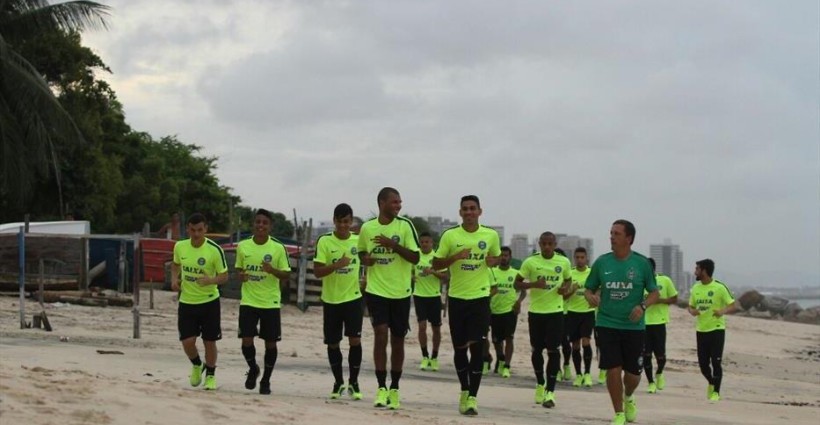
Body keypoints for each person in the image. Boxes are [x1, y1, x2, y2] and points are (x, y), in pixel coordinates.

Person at [584, 219, 659, 425]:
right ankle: (618, 413)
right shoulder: (602, 262)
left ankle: (628, 397)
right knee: (613, 369)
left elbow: (654, 293)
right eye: (611, 233)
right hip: (606, 323)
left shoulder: (641, 264)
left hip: (633, 327)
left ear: (629, 238)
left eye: (617, 234)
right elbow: (588, 288)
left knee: (632, 376)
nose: (612, 237)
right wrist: (589, 296)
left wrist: (642, 306)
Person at [432, 195, 500, 416]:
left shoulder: (490, 235)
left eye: (473, 209)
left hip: (480, 298)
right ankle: (464, 388)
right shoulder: (450, 235)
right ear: (460, 213)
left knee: (477, 347)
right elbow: (437, 263)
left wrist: (493, 261)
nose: (469, 212)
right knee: (460, 348)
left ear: (480, 211)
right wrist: (455, 257)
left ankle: (473, 397)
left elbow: (496, 258)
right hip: (457, 298)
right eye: (465, 209)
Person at [357, 187, 420, 410]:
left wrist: (393, 245)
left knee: (397, 339)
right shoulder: (367, 228)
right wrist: (367, 259)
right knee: (380, 334)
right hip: (376, 291)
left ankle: (395, 387)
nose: (398, 206)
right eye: (394, 202)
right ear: (382, 203)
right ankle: (381, 387)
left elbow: (415, 257)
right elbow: (361, 252)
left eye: (400, 202)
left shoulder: (405, 226)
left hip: (401, 292)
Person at [235, 209, 292, 395]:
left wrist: (272, 270)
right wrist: (241, 276)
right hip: (249, 301)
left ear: (270, 227)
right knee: (246, 340)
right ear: (253, 224)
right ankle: (253, 368)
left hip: (270, 302)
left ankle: (266, 380)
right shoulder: (243, 246)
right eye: (258, 222)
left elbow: (286, 274)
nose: (260, 225)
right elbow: (239, 271)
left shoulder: (277, 248)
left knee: (270, 344)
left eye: (264, 223)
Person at [170, 213, 229, 390]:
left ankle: (210, 375)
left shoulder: (214, 250)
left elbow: (224, 276)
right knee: (187, 341)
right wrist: (174, 279)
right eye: (193, 230)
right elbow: (175, 264)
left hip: (209, 302)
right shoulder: (180, 246)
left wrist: (210, 280)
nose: (196, 234)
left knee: (209, 341)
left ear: (206, 229)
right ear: (187, 228)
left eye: (200, 230)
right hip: (187, 301)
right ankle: (197, 364)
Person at [514, 232, 572, 409]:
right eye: (544, 244)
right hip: (536, 312)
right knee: (537, 350)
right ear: (539, 244)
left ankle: (550, 392)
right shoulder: (530, 262)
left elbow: (568, 280)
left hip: (555, 312)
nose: (547, 247)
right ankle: (540, 382)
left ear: (555, 244)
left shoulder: (563, 262)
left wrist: (564, 288)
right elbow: (517, 284)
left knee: (554, 350)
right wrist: (533, 285)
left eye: (550, 244)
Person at [314, 203, 364, 400]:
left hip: (353, 299)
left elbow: (369, 259)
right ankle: (338, 382)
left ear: (351, 222)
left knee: (355, 340)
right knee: (333, 343)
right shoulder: (325, 242)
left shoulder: (358, 241)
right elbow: (317, 272)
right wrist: (337, 265)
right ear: (334, 221)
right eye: (340, 221)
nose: (343, 225)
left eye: (347, 222)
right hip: (332, 300)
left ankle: (354, 382)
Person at [688, 258, 737, 402]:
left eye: (697, 269)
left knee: (716, 362)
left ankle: (716, 392)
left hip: (717, 329)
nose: (695, 271)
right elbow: (691, 306)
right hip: (701, 330)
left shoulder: (719, 287)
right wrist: (692, 311)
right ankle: (711, 381)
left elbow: (733, 305)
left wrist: (722, 311)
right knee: (703, 365)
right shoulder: (695, 288)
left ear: (704, 271)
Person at [413, 231, 447, 372]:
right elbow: (407, 271)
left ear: (432, 243)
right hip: (419, 295)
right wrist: (410, 277)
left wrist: (432, 272)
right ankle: (425, 356)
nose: (425, 244)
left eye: (427, 242)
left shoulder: (436, 258)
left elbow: (445, 277)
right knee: (422, 326)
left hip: (434, 296)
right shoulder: (415, 257)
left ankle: (434, 357)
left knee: (436, 328)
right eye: (422, 242)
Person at [644, 257, 678, 394]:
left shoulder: (665, 280)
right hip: (644, 323)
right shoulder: (639, 282)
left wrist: (659, 300)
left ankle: (659, 372)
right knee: (646, 355)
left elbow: (674, 298)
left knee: (661, 356)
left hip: (659, 322)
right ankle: (651, 382)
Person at [564, 247, 595, 387]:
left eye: (582, 257)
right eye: (577, 257)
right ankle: (578, 374)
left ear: (586, 258)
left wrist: (594, 298)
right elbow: (563, 296)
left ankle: (587, 373)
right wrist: (572, 290)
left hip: (587, 313)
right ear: (574, 258)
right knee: (575, 344)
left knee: (586, 342)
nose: (580, 260)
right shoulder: (569, 273)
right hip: (572, 312)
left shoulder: (592, 273)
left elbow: (599, 289)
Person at [489, 246, 519, 378]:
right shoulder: (492, 272)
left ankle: (506, 365)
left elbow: (522, 291)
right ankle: (500, 358)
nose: (503, 258)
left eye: (506, 255)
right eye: (501, 255)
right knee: (496, 340)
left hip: (509, 310)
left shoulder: (515, 273)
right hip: (494, 310)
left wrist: (519, 302)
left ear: (510, 257)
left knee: (509, 338)